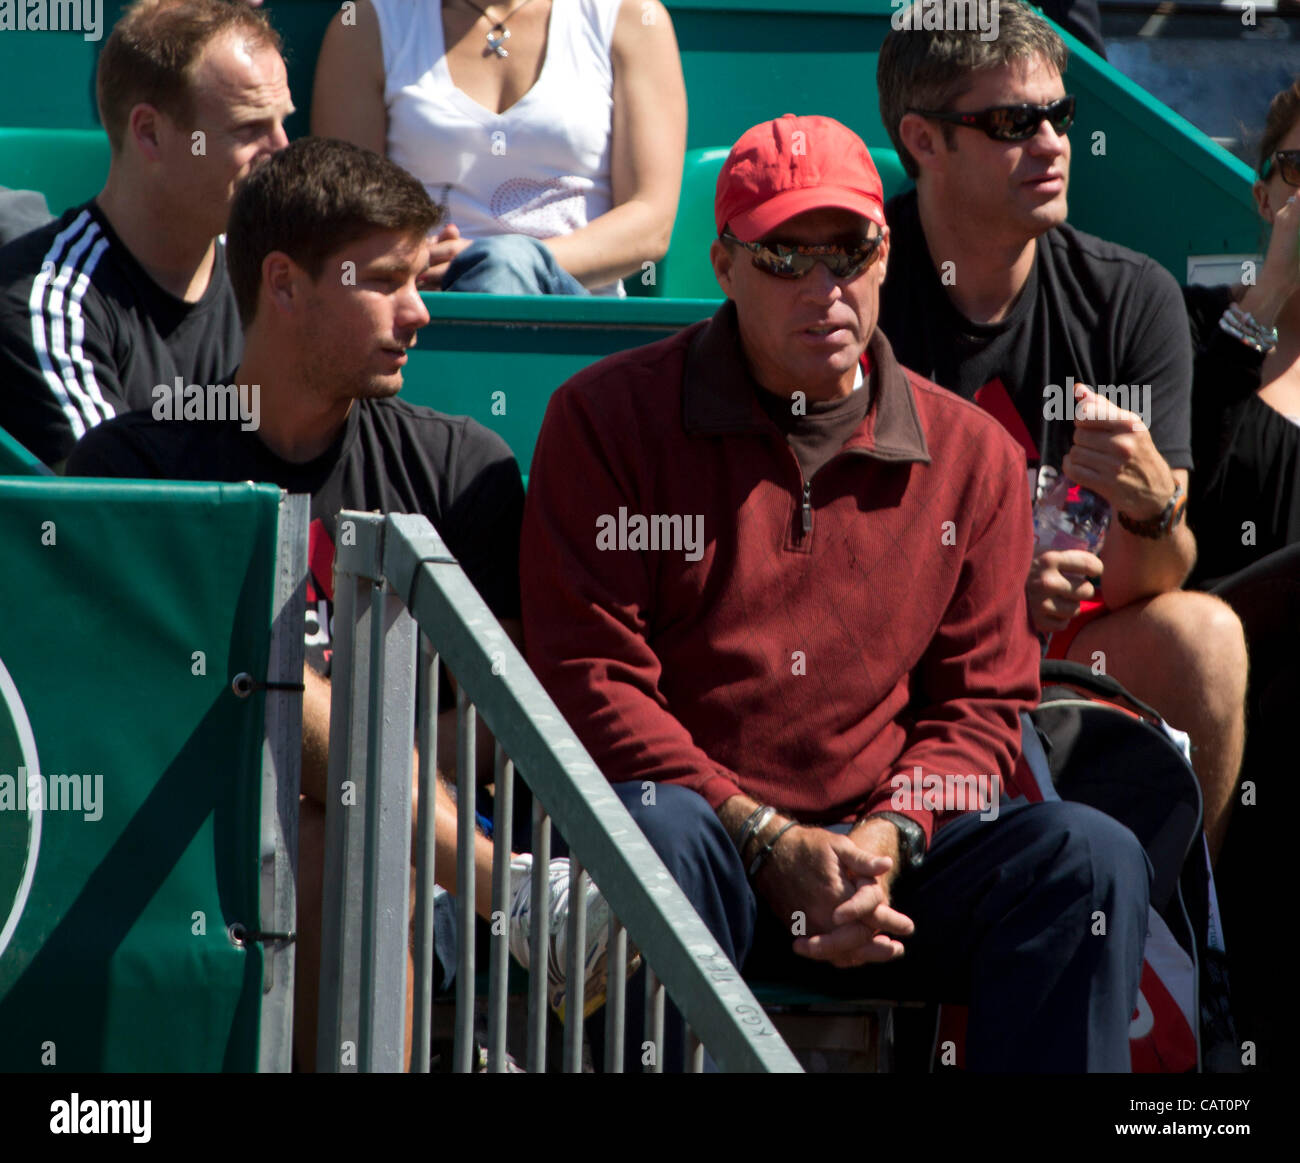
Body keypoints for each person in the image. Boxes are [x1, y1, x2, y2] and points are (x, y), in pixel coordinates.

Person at [520, 112, 1151, 1072]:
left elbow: (981, 702)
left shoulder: (972, 453)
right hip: (706, 845)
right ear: (723, 266)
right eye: (785, 256)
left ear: (886, 254)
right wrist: (767, 839)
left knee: (1088, 858)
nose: (824, 287)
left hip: (881, 864)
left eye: (848, 251)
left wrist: (890, 836)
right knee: (651, 824)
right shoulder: (605, 420)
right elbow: (590, 679)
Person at [66, 137, 625, 1070]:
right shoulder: (140, 468)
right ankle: (511, 893)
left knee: (341, 832)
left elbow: (498, 722)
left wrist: (351, 766)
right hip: (180, 848)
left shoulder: (460, 469)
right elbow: (137, 713)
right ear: (283, 284)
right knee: (311, 790)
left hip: (409, 851)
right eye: (387, 282)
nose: (421, 313)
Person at [875, 0, 1248, 864]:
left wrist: (1155, 515)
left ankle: (1188, 949)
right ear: (924, 141)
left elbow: (1145, 579)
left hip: (1072, 646)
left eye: (1058, 115)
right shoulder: (855, 299)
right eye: (1011, 121)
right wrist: (994, 598)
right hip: (898, 651)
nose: (1049, 143)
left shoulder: (1131, 298)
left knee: (1206, 639)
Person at [0, 0, 292, 469]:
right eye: (249, 128)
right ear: (150, 133)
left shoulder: (274, 279)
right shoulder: (49, 304)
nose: (282, 151)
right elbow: (122, 508)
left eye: (283, 123)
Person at [1180, 78, 1300, 1047]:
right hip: (1236, 729)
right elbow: (1178, 504)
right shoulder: (1196, 329)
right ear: (1263, 195)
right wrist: (1264, 300)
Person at [310, 0, 686, 297]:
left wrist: (501, 263)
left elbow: (650, 224)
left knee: (503, 264)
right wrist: (411, 258)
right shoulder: (363, 24)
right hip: (418, 303)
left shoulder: (631, 18)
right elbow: (346, 216)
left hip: (574, 310)